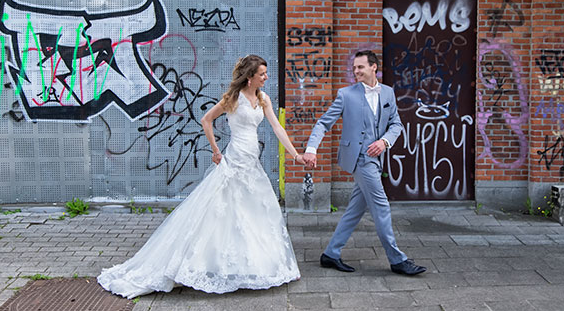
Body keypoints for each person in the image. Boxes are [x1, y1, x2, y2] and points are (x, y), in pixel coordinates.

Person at [98, 55, 305, 298]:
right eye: (262, 74)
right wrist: (216, 151)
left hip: (252, 162)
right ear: (250, 78)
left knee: (253, 211)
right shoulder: (232, 99)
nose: (266, 77)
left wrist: (295, 154)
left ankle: (251, 264)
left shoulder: (263, 99)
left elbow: (277, 127)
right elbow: (206, 120)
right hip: (235, 158)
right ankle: (210, 261)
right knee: (226, 209)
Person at [303, 50, 427, 276]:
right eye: (354, 68)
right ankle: (397, 260)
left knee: (354, 210)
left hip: (376, 157)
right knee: (381, 206)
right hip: (360, 159)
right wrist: (311, 149)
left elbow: (396, 125)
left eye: (360, 67)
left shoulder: (388, 93)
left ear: (374, 67)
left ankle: (330, 254)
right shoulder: (346, 94)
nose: (356, 71)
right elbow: (323, 123)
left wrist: (384, 142)